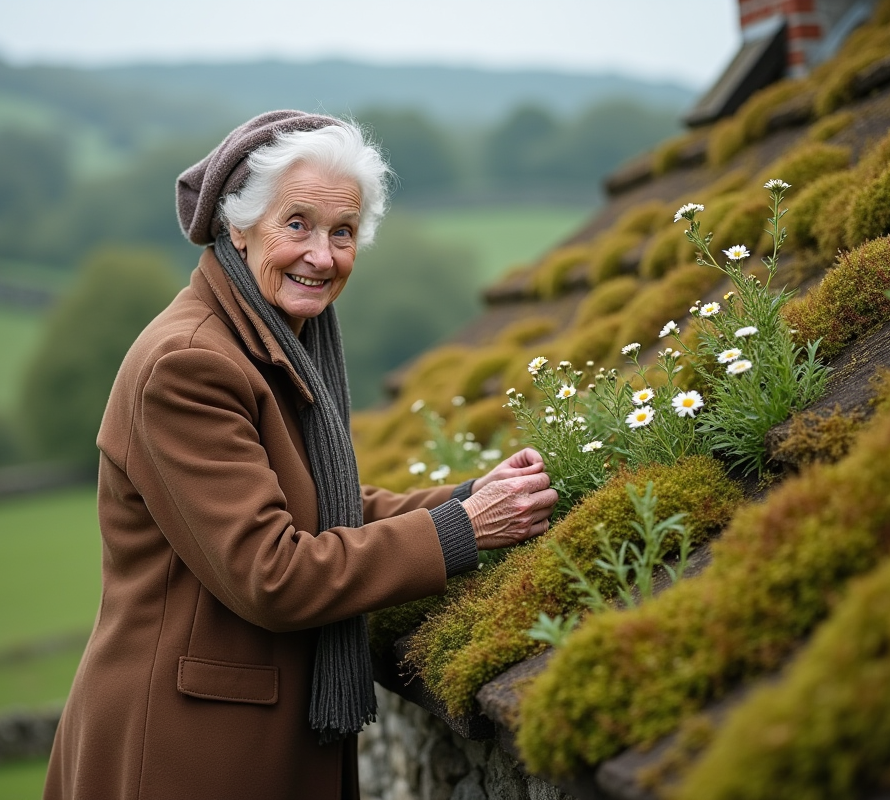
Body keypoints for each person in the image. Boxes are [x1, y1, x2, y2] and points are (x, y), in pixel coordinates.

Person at [43, 110, 558, 800]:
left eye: (341, 232)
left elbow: (325, 507)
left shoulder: (270, 337)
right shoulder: (191, 365)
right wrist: (463, 531)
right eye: (297, 225)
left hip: (238, 737)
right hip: (184, 750)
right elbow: (274, 572)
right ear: (238, 226)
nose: (322, 255)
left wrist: (470, 498)